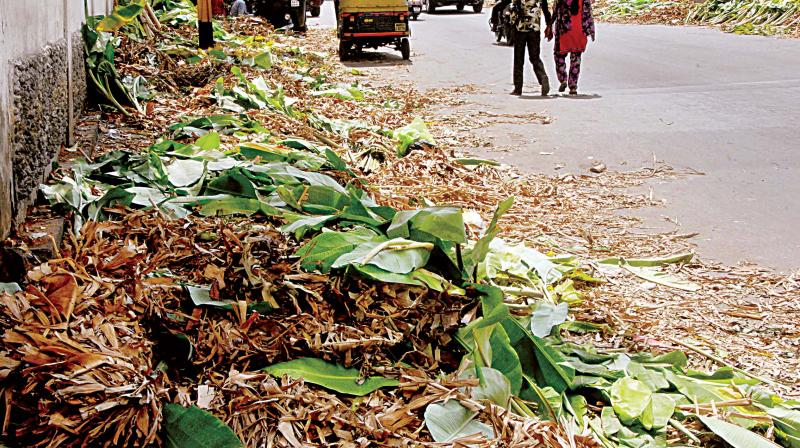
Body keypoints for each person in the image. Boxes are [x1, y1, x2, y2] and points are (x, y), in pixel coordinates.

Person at [546, 0, 594, 95]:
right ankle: (573, 86)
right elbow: (589, 16)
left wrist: (550, 24)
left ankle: (563, 78)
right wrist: (590, 31)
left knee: (558, 55)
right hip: (579, 32)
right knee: (576, 60)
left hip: (564, 31)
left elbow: (556, 11)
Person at [510, 0, 551, 96]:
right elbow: (545, 10)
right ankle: (542, 76)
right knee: (535, 57)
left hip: (520, 29)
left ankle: (518, 88)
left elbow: (513, 9)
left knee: (518, 59)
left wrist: (512, 24)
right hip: (535, 29)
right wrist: (548, 25)